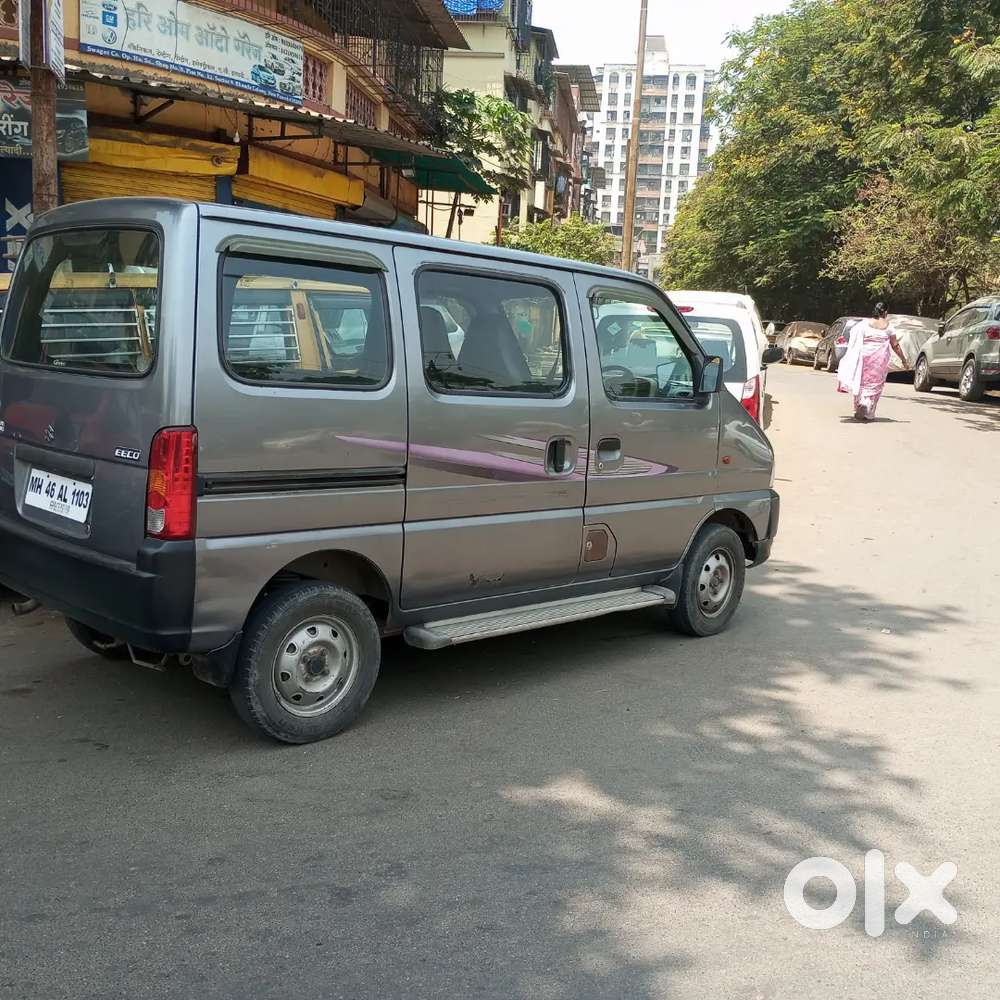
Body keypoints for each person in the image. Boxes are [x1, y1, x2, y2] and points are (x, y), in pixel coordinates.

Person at [836, 303, 907, 421]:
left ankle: (860, 404)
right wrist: (903, 360)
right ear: (885, 312)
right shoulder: (889, 326)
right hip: (880, 359)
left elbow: (853, 336)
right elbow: (895, 345)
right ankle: (868, 411)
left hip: (865, 357)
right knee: (875, 384)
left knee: (862, 381)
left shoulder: (864, 324)